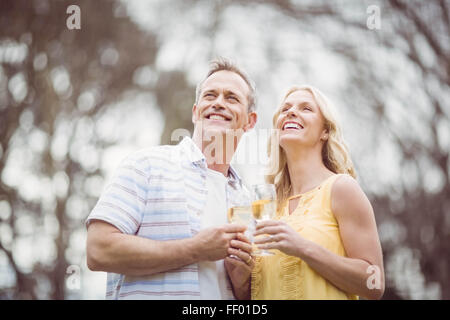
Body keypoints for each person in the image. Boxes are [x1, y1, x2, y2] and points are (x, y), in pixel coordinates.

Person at [86, 58, 257, 300]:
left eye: (231, 98)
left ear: (250, 121)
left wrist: (242, 285)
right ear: (196, 112)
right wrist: (195, 249)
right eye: (210, 96)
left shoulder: (249, 202)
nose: (218, 103)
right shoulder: (146, 166)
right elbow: (98, 250)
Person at [250, 85, 385, 300]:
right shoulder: (268, 207)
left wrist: (303, 248)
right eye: (285, 108)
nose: (291, 112)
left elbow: (375, 283)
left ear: (325, 132)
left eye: (306, 108)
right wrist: (238, 272)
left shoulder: (342, 189)